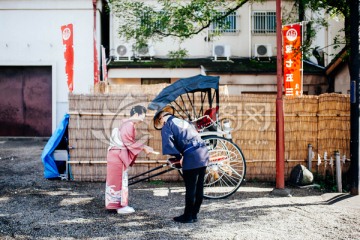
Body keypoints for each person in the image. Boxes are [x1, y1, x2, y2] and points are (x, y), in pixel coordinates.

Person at [154, 105, 209, 223]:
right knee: (199, 186)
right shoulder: (183, 121)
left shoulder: (167, 125)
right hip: (203, 152)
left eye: (160, 120)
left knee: (190, 187)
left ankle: (187, 216)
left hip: (191, 155)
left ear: (162, 117)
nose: (161, 123)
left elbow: (168, 143)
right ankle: (194, 214)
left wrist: (179, 157)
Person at [105, 105, 153, 214]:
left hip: (115, 154)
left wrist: (144, 147)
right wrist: (144, 147)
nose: (142, 121)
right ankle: (121, 206)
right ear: (136, 114)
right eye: (142, 117)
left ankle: (113, 205)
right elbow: (129, 142)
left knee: (115, 180)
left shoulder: (125, 124)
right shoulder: (129, 124)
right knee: (120, 180)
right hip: (119, 155)